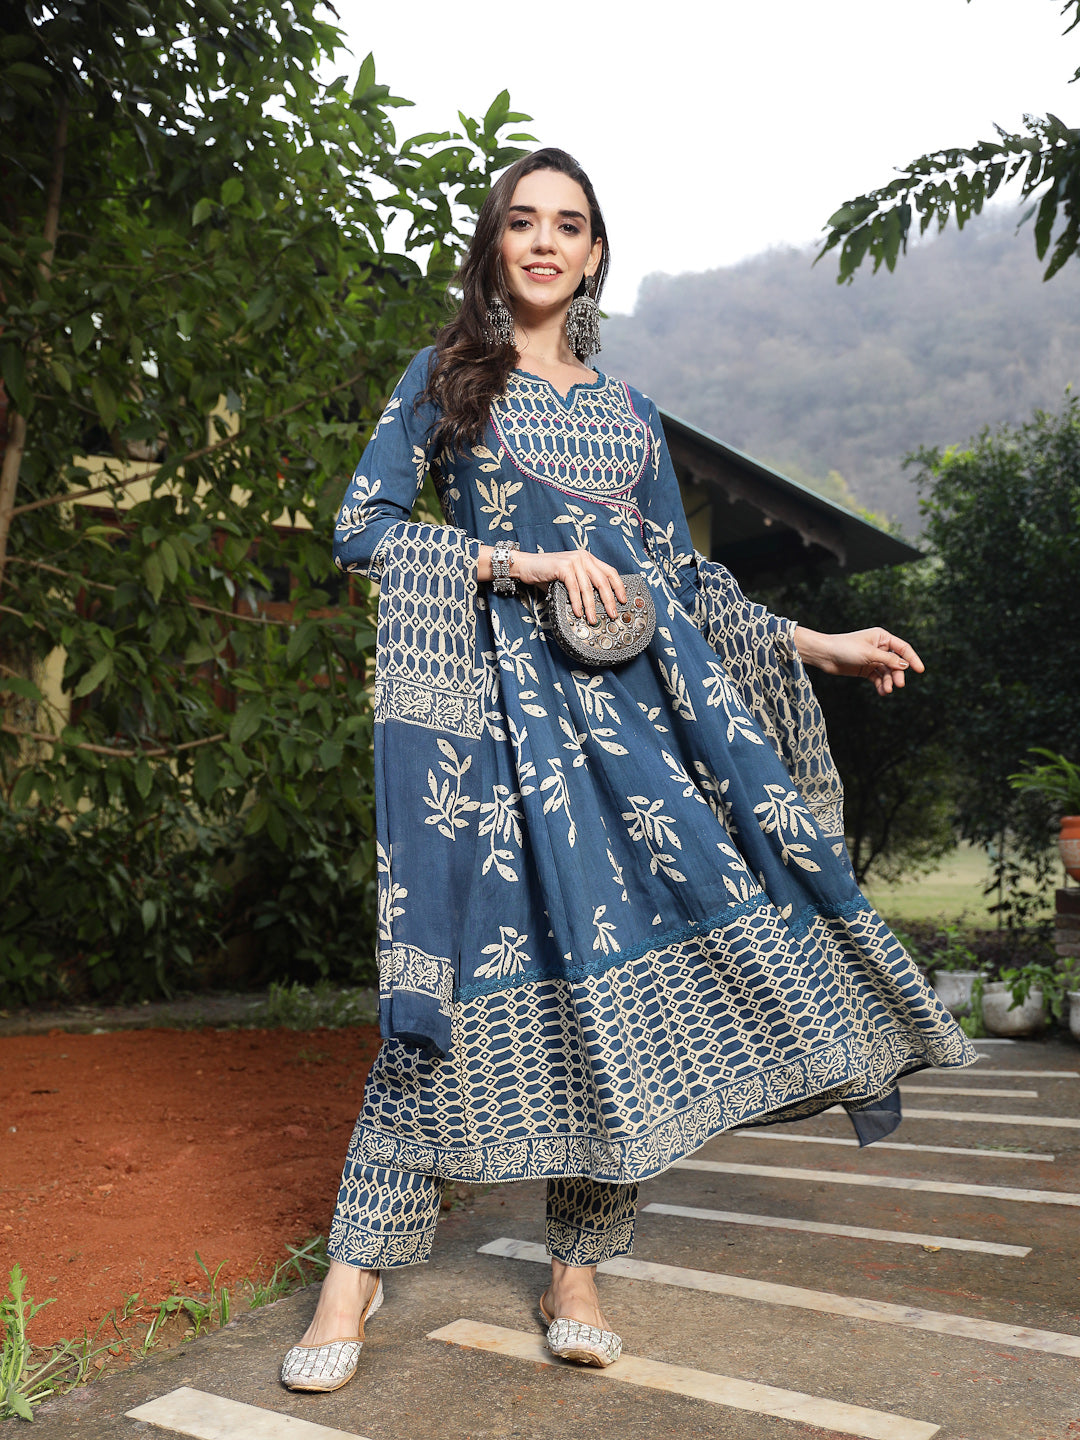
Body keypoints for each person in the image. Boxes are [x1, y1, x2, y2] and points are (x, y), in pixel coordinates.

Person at [280, 147, 975, 1392]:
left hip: (639, 743)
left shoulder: (631, 413)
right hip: (496, 739)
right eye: (524, 222)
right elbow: (362, 528)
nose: (546, 242)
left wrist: (816, 643)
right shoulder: (446, 381)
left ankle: (578, 1269)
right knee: (444, 994)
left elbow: (685, 581)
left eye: (571, 225)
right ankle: (356, 1271)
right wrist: (525, 564)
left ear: (596, 254)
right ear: (497, 244)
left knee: (616, 1003)